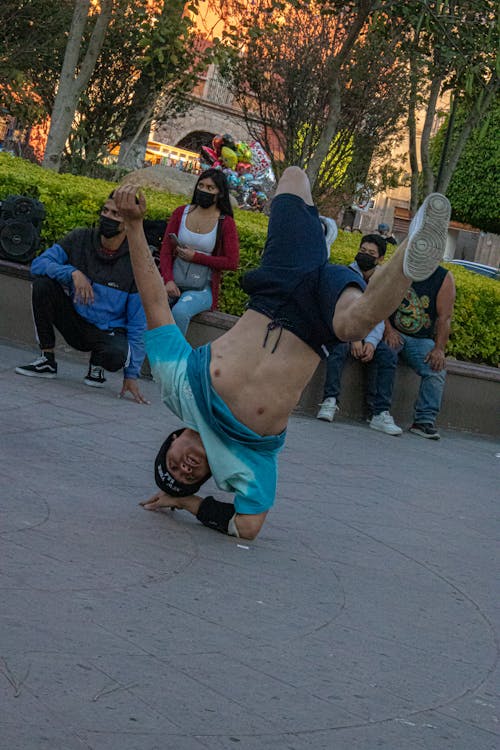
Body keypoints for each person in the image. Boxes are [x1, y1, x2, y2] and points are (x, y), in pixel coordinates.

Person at [114, 169, 450, 540]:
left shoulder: (175, 386)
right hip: (316, 325)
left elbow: (156, 303)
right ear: (208, 477)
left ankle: (317, 235)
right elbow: (247, 526)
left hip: (276, 286)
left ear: (172, 439)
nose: (184, 469)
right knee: (355, 322)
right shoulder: (248, 463)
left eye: (172, 465)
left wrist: (133, 226)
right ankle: (414, 244)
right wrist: (186, 503)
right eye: (188, 480)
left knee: (292, 178)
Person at [15, 193, 149, 403]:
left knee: (117, 355)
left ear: (127, 223)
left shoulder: (135, 261)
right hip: (75, 319)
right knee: (43, 284)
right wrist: (71, 273)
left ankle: (97, 364)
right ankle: (47, 359)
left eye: (115, 214)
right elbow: (39, 264)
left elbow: (138, 323)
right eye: (105, 211)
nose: (107, 217)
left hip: (107, 332)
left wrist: (131, 376)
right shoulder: (80, 238)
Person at [317, 234, 402, 436]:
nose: (364, 255)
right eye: (362, 251)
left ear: (380, 258)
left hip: (370, 334)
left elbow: (378, 315)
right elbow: (343, 308)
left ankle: (380, 412)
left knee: (388, 355)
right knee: (337, 348)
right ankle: (330, 400)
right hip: (344, 330)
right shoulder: (347, 274)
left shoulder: (382, 281)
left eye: (370, 253)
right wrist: (354, 338)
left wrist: (371, 343)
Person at [159, 168, 239, 335]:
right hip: (174, 279)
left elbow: (232, 262)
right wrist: (168, 280)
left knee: (180, 312)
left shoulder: (225, 222)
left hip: (202, 288)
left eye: (210, 188)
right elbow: (166, 250)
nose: (204, 190)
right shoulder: (181, 213)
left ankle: (173, 359)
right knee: (148, 304)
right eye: (201, 186)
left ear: (220, 193)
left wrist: (197, 257)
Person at [384, 265, 456, 440]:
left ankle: (423, 421)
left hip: (419, 340)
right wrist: (388, 330)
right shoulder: (401, 267)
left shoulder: (443, 277)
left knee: (436, 368)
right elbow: (381, 301)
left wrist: (439, 349)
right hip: (391, 330)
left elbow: (444, 317)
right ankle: (379, 411)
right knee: (385, 355)